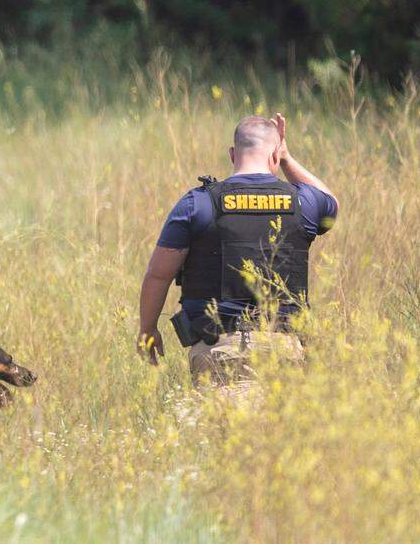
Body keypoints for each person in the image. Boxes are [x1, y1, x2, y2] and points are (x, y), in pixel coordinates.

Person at [136, 113, 338, 391]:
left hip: (218, 352)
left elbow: (158, 274)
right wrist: (289, 158)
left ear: (233, 154)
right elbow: (331, 202)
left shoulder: (199, 203)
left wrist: (147, 329)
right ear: (275, 157)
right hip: (284, 351)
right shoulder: (302, 203)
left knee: (218, 432)